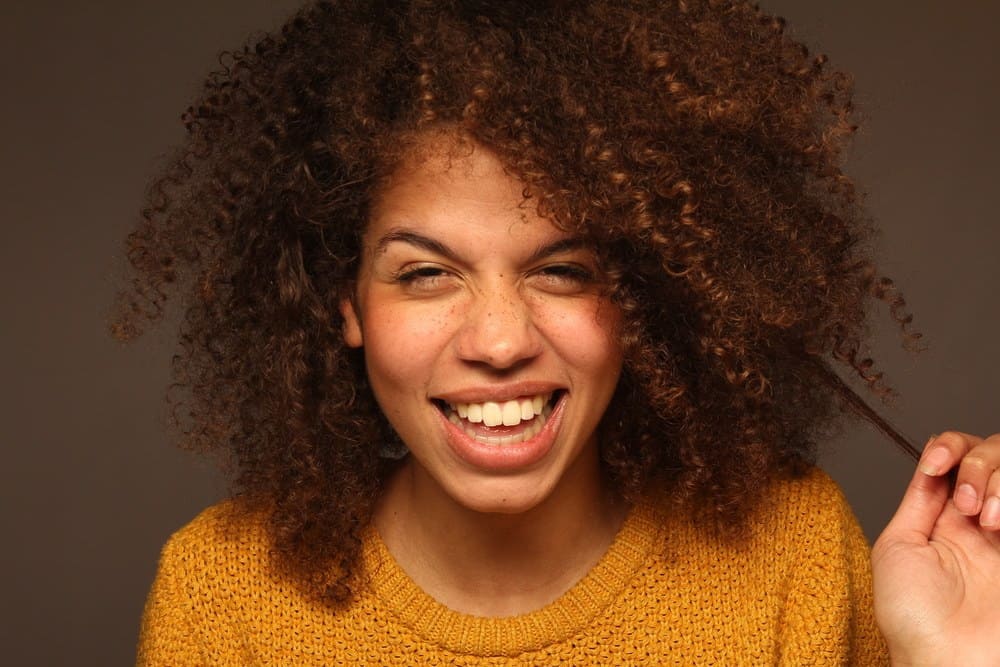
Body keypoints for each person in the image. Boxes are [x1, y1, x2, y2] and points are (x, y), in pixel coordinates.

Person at [117, 1, 1000, 664]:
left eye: (562, 270)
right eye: (426, 274)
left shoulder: (793, 555)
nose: (500, 341)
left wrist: (955, 659)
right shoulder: (223, 599)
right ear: (343, 302)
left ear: (643, 296)